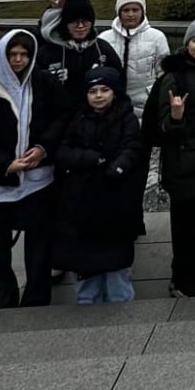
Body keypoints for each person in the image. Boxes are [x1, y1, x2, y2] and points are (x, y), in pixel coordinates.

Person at [0, 29, 66, 308]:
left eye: (24, 54)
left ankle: (37, 294)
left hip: (37, 177)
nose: (18, 60)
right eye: (13, 54)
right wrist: (5, 163)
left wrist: (43, 148)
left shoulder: (43, 83)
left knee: (39, 241)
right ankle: (4, 294)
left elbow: (61, 119)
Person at [143, 18, 195, 297]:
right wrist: (176, 118)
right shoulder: (175, 77)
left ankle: (190, 270)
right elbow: (162, 129)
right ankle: (181, 280)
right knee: (185, 227)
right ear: (187, 43)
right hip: (184, 165)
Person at [53, 66, 144, 304]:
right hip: (82, 200)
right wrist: (93, 159)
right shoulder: (76, 118)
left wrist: (118, 167)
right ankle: (87, 303)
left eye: (105, 90)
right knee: (85, 264)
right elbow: (62, 151)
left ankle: (121, 303)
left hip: (116, 198)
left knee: (117, 265)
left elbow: (133, 147)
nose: (99, 95)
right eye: (93, 90)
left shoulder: (126, 117)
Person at [38, 0, 122, 112]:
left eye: (85, 21)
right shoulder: (47, 52)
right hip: (58, 119)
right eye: (74, 21)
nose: (81, 26)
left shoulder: (102, 48)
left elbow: (119, 82)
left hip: (96, 118)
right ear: (65, 24)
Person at [97, 0, 170, 120]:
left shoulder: (157, 37)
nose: (131, 14)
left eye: (135, 10)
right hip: (112, 107)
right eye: (126, 10)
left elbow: (163, 74)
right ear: (119, 13)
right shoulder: (104, 39)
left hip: (146, 105)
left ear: (142, 11)